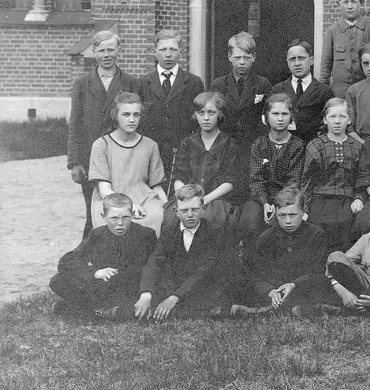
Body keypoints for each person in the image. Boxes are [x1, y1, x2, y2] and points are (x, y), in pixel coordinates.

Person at [67, 30, 140, 239]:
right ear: (94, 51)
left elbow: (137, 122)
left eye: (111, 50)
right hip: (91, 158)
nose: (106, 55)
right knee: (94, 213)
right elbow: (75, 122)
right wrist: (75, 162)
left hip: (123, 156)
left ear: (119, 50)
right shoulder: (82, 83)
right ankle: (90, 252)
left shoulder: (131, 82)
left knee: (121, 211)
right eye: (101, 50)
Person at [50, 193, 157, 318]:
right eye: (114, 218)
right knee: (57, 280)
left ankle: (87, 311)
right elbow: (67, 261)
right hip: (104, 287)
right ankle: (103, 312)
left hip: (131, 287)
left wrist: (146, 292)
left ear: (132, 215)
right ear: (103, 216)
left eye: (125, 217)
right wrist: (95, 273)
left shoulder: (145, 235)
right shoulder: (97, 234)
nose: (120, 223)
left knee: (138, 306)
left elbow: (156, 265)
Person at [135, 185, 232, 320]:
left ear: (203, 210)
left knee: (203, 307)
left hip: (203, 285)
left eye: (195, 209)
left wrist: (174, 298)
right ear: (176, 211)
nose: (190, 215)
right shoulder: (169, 230)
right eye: (184, 210)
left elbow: (205, 270)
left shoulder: (215, 232)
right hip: (176, 285)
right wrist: (146, 294)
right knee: (144, 302)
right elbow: (155, 261)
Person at [234, 187, 333, 317]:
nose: (287, 221)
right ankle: (295, 309)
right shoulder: (266, 238)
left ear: (303, 211)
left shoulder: (316, 234)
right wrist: (270, 291)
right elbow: (257, 274)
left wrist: (293, 285)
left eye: (293, 215)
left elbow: (317, 271)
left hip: (303, 287)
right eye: (282, 215)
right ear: (276, 213)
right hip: (276, 290)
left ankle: (264, 311)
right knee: (244, 283)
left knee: (320, 284)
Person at [88, 92, 167, 237]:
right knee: (116, 222)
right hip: (111, 198)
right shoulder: (101, 145)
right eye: (126, 114)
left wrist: (169, 208)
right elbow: (104, 189)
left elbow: (156, 186)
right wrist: (128, 206)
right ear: (115, 115)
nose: (132, 120)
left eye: (136, 115)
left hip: (144, 198)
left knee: (157, 217)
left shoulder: (150, 145)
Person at [302, 97, 370, 253]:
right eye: (332, 116)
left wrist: (359, 198)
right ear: (325, 120)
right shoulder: (315, 145)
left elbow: (362, 177)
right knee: (317, 229)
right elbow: (307, 180)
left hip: (347, 198)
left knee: (348, 226)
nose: (337, 121)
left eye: (342, 116)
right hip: (320, 198)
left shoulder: (357, 146)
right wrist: (304, 209)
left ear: (349, 120)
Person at [210, 32, 272, 206]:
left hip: (253, 146)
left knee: (249, 192)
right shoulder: (219, 85)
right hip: (225, 146)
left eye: (247, 57)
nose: (242, 62)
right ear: (229, 57)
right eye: (237, 57)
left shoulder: (263, 84)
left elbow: (267, 119)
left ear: (254, 58)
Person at [163, 91, 237, 232]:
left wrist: (205, 200)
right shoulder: (188, 142)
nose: (206, 118)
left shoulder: (229, 143)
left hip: (216, 199)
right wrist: (187, 198)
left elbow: (230, 181)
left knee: (211, 219)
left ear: (219, 114)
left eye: (211, 112)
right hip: (187, 198)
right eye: (201, 113)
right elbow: (178, 177)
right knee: (171, 217)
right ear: (195, 114)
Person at [235, 94, 304, 245]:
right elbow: (256, 180)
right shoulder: (259, 144)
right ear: (266, 117)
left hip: (287, 199)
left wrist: (278, 204)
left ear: (291, 117)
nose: (280, 118)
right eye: (275, 114)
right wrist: (266, 203)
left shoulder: (297, 145)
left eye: (284, 114)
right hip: (260, 199)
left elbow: (293, 181)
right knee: (251, 220)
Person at [139, 29, 205, 179]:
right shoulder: (142, 83)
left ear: (181, 52)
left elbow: (200, 122)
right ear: (154, 52)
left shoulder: (194, 83)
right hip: (151, 156)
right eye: (163, 50)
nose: (168, 54)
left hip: (184, 156)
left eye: (173, 49)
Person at [270, 39, 334, 143]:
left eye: (301, 58)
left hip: (314, 146)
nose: (297, 63)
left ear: (311, 60)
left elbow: (330, 123)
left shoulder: (324, 91)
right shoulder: (277, 89)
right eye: (292, 59)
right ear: (287, 62)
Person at [319, 0, 369, 97]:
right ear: (339, 4)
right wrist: (323, 91)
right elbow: (326, 65)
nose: (350, 6)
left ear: (361, 3)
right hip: (340, 92)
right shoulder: (331, 31)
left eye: (354, 2)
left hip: (365, 90)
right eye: (346, 2)